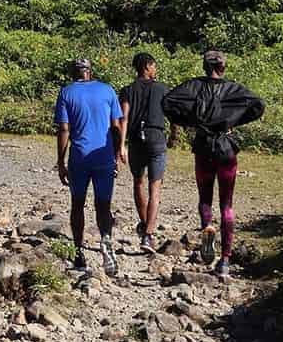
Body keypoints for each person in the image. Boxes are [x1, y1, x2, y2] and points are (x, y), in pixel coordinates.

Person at [162, 49, 266, 280]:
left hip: (203, 146)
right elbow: (258, 104)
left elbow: (168, 101)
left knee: (205, 198)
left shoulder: (193, 86)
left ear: (204, 67)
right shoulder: (233, 88)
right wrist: (235, 120)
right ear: (223, 67)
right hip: (226, 147)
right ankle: (226, 260)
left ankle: (207, 225)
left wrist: (190, 120)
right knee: (227, 204)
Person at [54, 56, 126, 276]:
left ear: (73, 73)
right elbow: (116, 126)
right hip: (103, 155)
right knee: (103, 206)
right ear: (90, 72)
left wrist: (60, 161)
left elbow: (64, 129)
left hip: (80, 157)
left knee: (77, 204)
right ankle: (105, 239)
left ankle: (78, 253)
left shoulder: (66, 93)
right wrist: (115, 154)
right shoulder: (108, 90)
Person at [118, 52, 174, 252]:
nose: (155, 70)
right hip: (156, 138)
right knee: (155, 189)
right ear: (148, 66)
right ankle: (148, 235)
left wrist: (121, 146)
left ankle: (144, 225)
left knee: (138, 182)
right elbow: (172, 113)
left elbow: (123, 119)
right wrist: (174, 134)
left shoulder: (127, 90)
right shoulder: (162, 89)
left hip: (135, 141)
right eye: (154, 66)